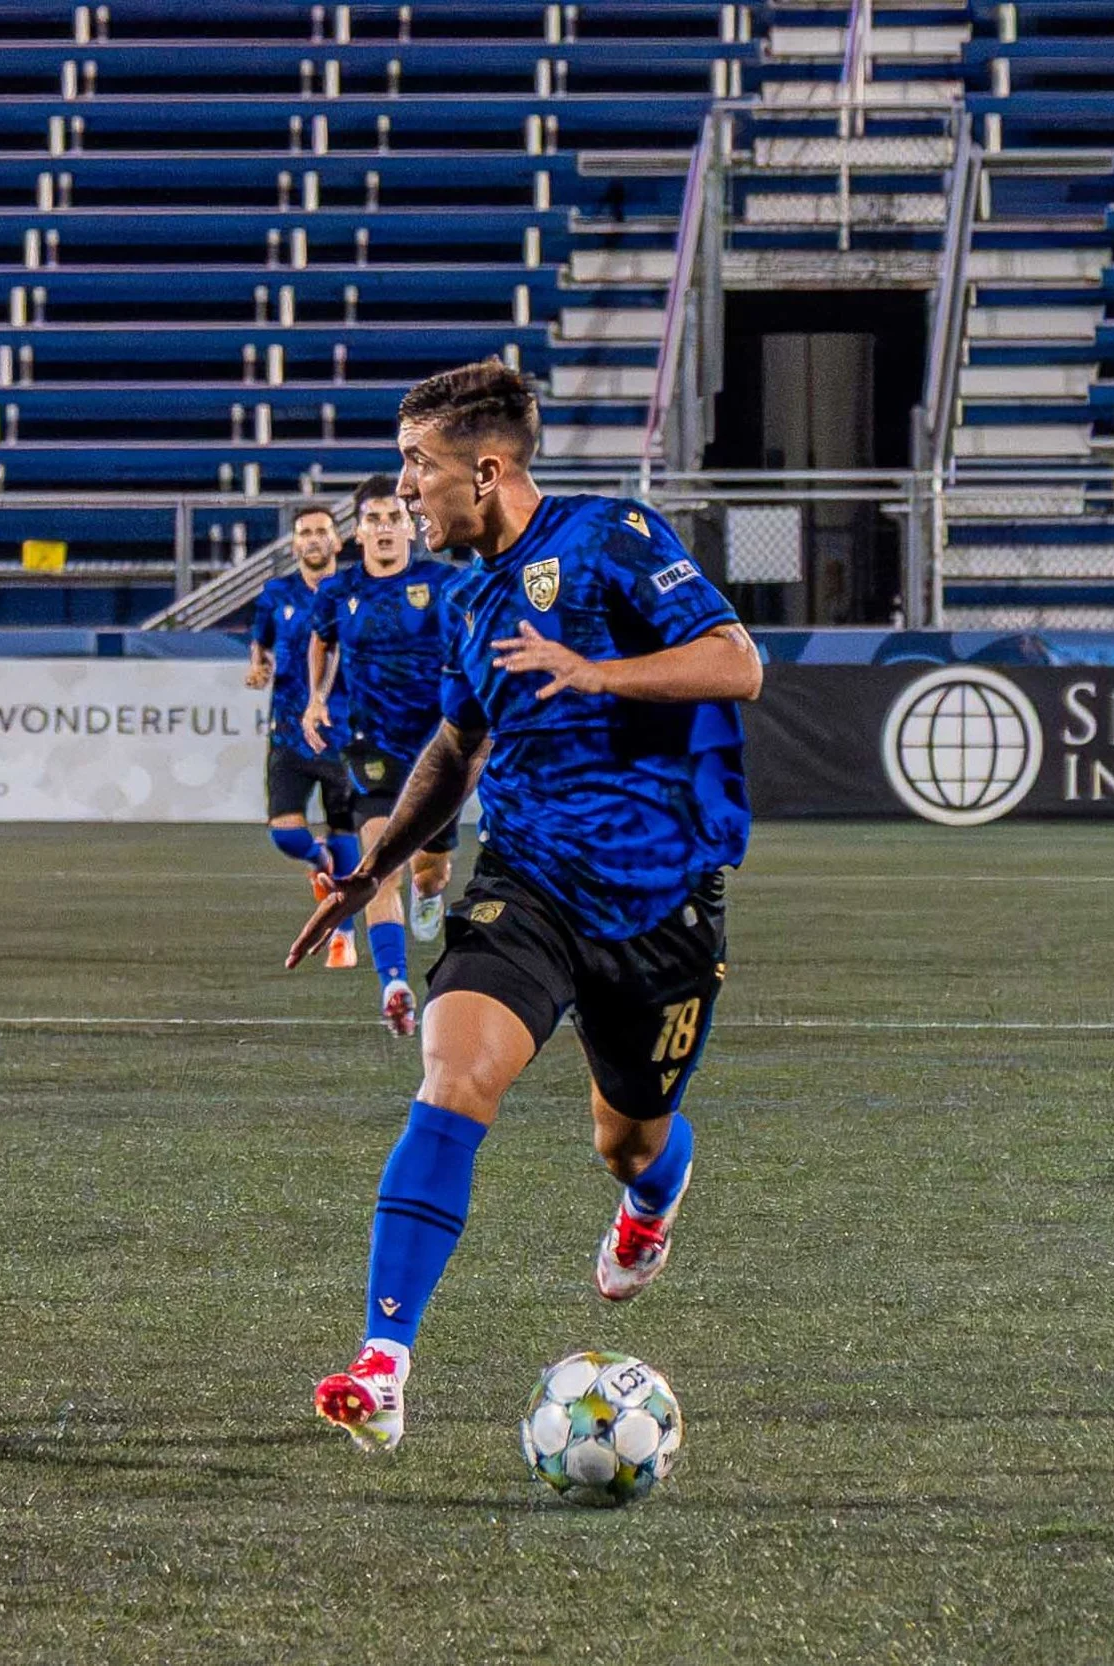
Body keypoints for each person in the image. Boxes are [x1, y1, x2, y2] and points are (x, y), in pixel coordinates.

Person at [286, 359, 762, 1451]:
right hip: (527, 883)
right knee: (454, 1078)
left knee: (628, 1141)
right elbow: (454, 749)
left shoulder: (609, 538)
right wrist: (371, 870)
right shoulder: (470, 600)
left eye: (419, 465)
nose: (404, 492)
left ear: (486, 471)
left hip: (659, 899)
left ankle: (651, 1200)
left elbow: (737, 663)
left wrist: (600, 676)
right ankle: (383, 1360)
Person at [300, 475, 462, 1038]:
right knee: (378, 867)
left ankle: (430, 892)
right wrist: (316, 699)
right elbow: (321, 639)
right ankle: (394, 984)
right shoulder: (338, 592)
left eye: (395, 518)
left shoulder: (444, 584)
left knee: (430, 870)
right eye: (375, 520)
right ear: (358, 531)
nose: (386, 529)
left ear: (409, 527)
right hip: (372, 746)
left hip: (442, 747)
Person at [244, 503, 359, 968]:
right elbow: (261, 640)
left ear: (337, 541)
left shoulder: (354, 591)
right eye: (305, 532)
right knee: (286, 834)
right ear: (294, 544)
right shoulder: (276, 593)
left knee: (344, 829)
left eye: (321, 532)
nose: (313, 539)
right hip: (289, 732)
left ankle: (344, 935)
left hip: (343, 731)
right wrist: (257, 664)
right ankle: (319, 862)